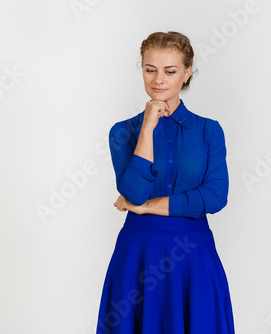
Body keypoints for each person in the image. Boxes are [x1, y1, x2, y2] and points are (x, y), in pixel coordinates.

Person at [96, 31, 235, 333]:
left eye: (170, 71)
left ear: (186, 74)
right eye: (150, 70)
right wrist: (147, 128)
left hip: (194, 256)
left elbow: (215, 197)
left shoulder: (209, 131)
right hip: (138, 255)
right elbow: (133, 190)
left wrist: (145, 207)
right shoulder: (122, 132)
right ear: (142, 70)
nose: (158, 79)